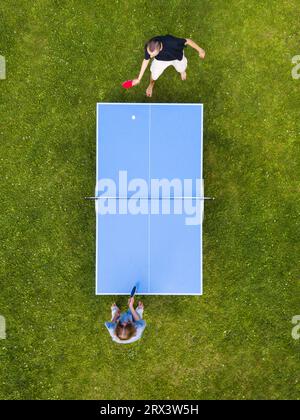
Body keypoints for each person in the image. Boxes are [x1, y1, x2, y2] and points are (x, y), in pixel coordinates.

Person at [132, 34, 206, 97]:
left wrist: (200, 50)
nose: (150, 57)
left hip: (176, 57)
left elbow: (188, 41)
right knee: (154, 75)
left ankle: (182, 71)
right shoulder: (150, 47)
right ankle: (151, 85)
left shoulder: (173, 42)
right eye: (149, 54)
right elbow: (146, 60)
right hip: (160, 60)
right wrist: (139, 78)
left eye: (152, 55)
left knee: (181, 68)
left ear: (160, 49)